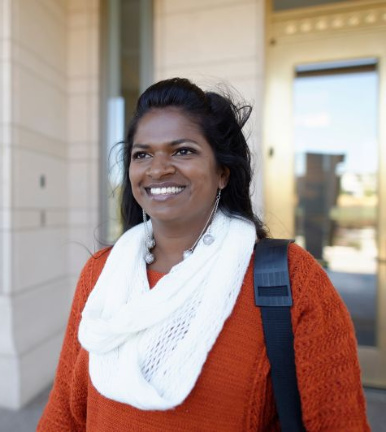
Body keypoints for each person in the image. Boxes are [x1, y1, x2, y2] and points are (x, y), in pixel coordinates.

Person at [37, 78, 369, 431]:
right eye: (142, 154)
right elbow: (65, 413)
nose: (158, 168)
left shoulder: (291, 278)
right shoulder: (101, 273)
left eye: (183, 151)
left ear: (223, 172)